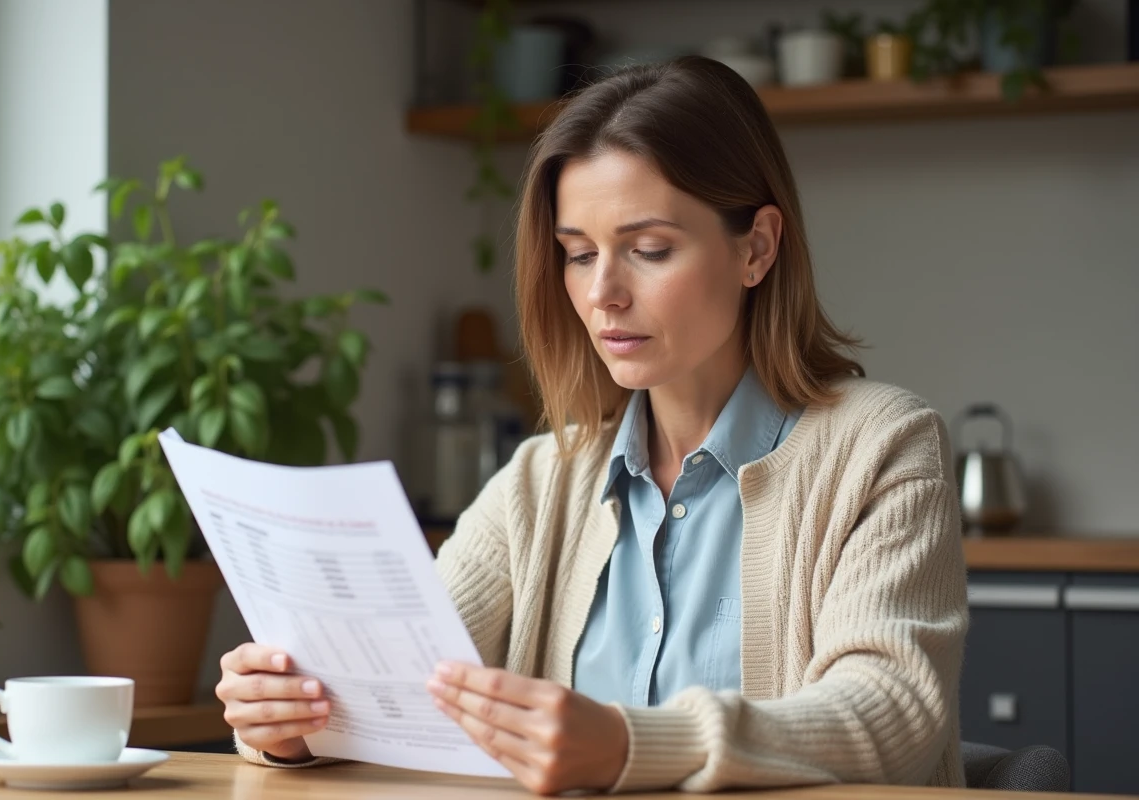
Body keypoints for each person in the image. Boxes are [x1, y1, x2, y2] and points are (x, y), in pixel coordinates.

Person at [215, 56, 968, 794]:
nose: (603, 292)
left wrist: (628, 747)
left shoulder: (885, 447)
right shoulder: (541, 481)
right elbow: (395, 682)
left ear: (757, 248)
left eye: (648, 250)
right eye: (578, 254)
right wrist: (286, 722)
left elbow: (892, 714)